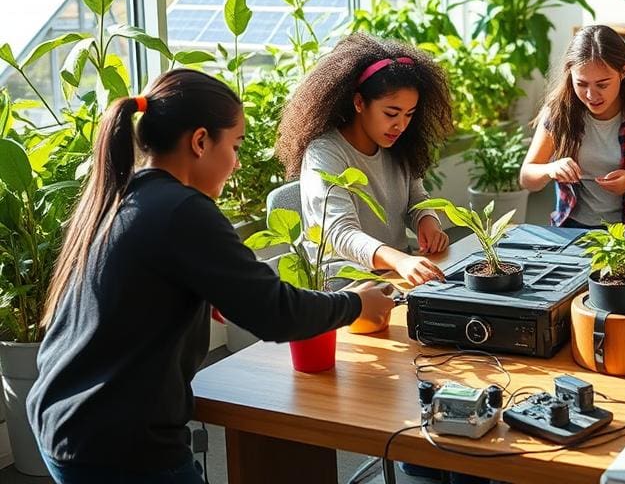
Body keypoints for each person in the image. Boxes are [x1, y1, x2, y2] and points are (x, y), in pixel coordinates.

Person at [27, 69, 394, 484]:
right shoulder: (183, 210)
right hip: (119, 444)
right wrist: (358, 303)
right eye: (234, 145)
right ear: (200, 141)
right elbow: (275, 313)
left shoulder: (124, 195)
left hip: (66, 417)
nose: (236, 163)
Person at [276, 33, 455, 286]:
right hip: (347, 285)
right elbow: (340, 234)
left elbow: (417, 199)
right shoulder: (325, 153)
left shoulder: (397, 145)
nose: (401, 125)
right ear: (359, 102)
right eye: (391, 113)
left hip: (395, 276)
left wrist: (428, 222)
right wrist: (400, 261)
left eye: (409, 114)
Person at [520, 24, 625, 229]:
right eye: (582, 84)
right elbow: (527, 178)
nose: (591, 96)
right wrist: (551, 169)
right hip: (570, 230)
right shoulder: (558, 113)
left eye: (602, 84)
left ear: (624, 71)